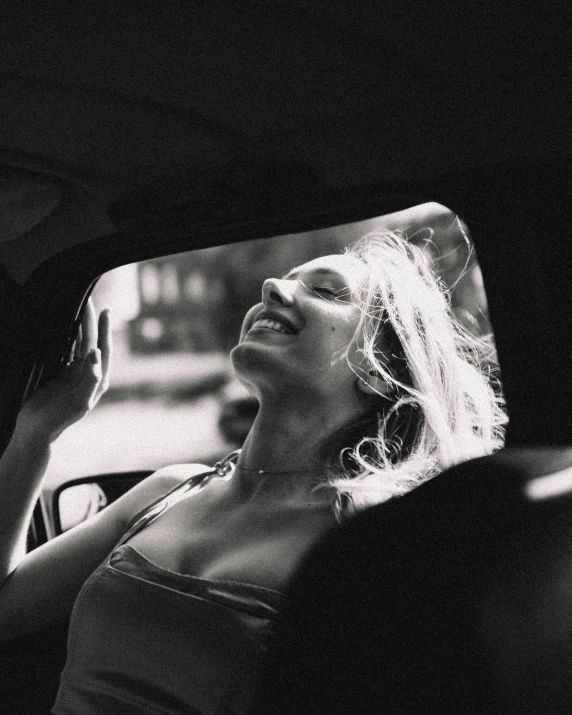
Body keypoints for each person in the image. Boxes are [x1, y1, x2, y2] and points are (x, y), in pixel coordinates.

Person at [0, 230, 505, 714]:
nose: (272, 286)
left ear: (375, 370)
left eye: (326, 291)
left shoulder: (370, 537)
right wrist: (35, 433)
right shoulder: (166, 493)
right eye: (285, 278)